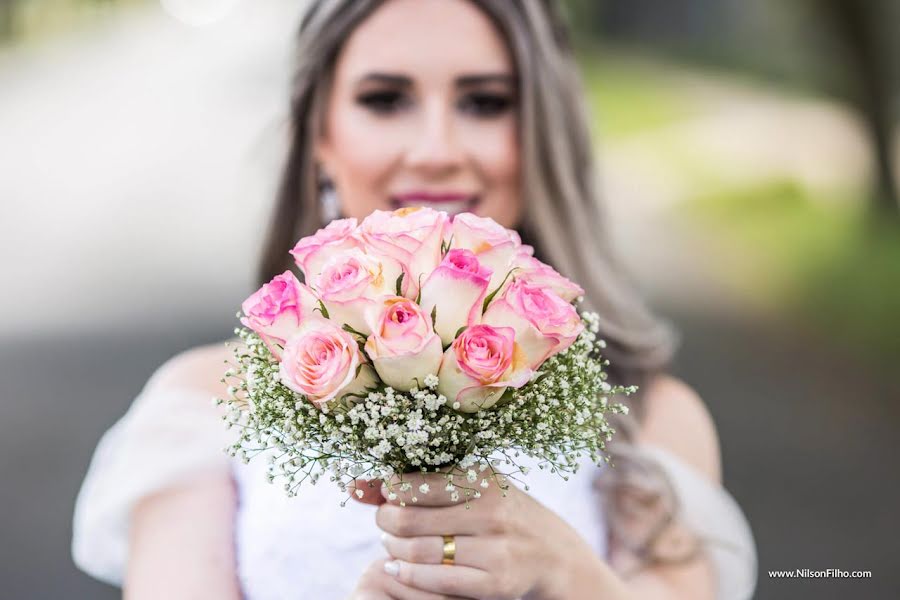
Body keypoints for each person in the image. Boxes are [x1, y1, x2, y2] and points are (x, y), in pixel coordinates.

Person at [72, 1, 757, 598]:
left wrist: (566, 574)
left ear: (541, 133)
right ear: (321, 137)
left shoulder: (651, 418)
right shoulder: (201, 407)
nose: (436, 151)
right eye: (385, 99)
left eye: (485, 101)